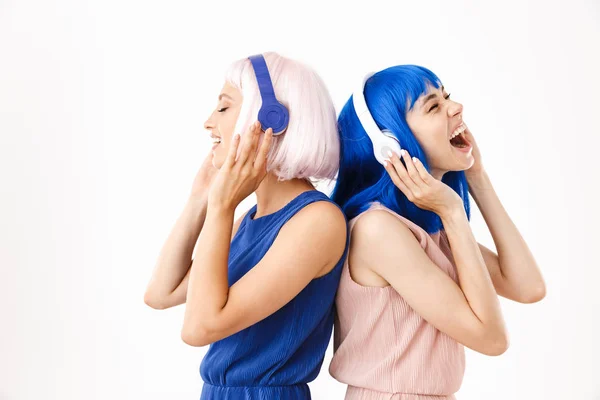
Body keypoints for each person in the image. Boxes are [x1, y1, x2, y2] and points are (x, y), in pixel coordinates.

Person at [329, 65, 546, 400]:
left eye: (447, 96)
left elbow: (527, 286)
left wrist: (478, 179)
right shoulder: (377, 230)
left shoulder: (428, 230)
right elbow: (491, 339)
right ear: (390, 145)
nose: (456, 107)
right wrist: (452, 211)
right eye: (433, 106)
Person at [144, 52, 348, 400]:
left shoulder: (317, 222)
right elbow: (160, 294)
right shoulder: (248, 220)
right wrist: (200, 200)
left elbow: (199, 327)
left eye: (223, 108)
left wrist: (223, 205)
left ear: (273, 118)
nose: (209, 123)